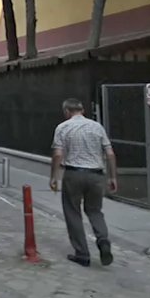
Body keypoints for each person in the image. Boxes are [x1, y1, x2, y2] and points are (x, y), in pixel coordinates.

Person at [49, 98, 118, 267]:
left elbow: (58, 154)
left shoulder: (63, 127)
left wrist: (54, 176)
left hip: (74, 174)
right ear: (83, 110)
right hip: (96, 175)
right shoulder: (97, 127)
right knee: (95, 211)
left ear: (66, 111)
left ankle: (82, 253)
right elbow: (110, 154)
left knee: (73, 212)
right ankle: (103, 240)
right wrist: (112, 177)